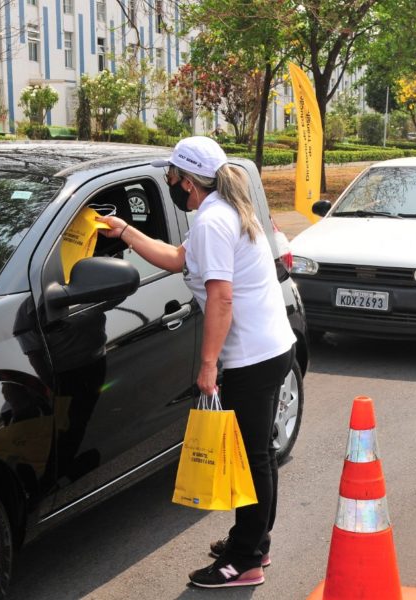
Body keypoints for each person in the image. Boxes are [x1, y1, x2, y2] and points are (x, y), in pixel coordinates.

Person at [98, 136, 296, 589]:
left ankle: (245, 558)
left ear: (187, 181)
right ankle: (253, 542)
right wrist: (125, 230)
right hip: (268, 347)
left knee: (252, 458)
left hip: (253, 355)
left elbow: (221, 299)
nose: (168, 180)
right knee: (258, 454)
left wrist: (208, 366)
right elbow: (176, 259)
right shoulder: (222, 211)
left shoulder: (213, 221)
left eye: (171, 174)